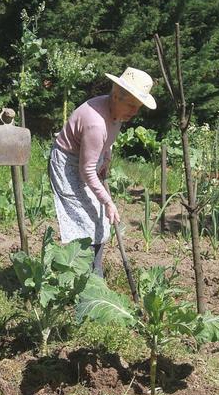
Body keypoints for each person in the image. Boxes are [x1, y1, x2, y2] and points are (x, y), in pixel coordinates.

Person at [49, 67, 156, 276]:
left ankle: (94, 273)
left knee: (99, 220)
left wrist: (106, 156)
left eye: (138, 107)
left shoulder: (115, 110)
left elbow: (109, 135)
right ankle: (81, 277)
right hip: (68, 164)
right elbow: (87, 169)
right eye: (132, 106)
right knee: (83, 220)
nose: (134, 113)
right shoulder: (95, 122)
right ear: (116, 96)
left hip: (87, 157)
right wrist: (108, 201)